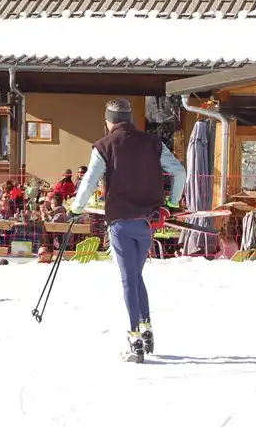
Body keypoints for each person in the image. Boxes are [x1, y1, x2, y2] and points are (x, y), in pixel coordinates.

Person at [68, 99, 186, 363]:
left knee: (128, 279)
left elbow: (89, 181)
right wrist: (172, 204)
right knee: (136, 275)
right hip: (148, 222)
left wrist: (76, 208)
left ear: (108, 121)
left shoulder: (104, 146)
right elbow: (179, 172)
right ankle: (146, 327)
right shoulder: (153, 143)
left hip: (120, 220)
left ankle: (134, 339)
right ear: (130, 119)